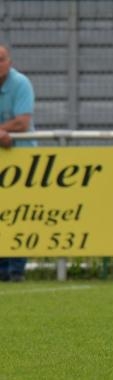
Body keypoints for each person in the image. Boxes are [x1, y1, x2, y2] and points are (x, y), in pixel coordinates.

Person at [0, 44, 36, 282]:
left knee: (19, 214)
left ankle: (17, 269)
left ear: (9, 61)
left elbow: (23, 122)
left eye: (1, 59)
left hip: (20, 158)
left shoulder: (21, 83)